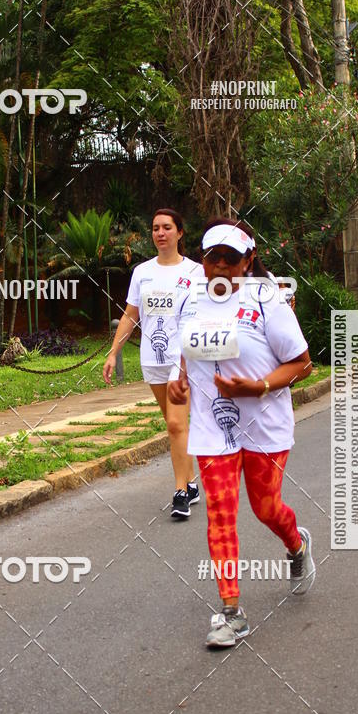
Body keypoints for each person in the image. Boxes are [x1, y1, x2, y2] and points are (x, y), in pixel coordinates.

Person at [168, 218, 316, 647]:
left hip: (265, 423)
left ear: (248, 261)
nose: (220, 266)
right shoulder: (190, 299)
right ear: (202, 259)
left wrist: (258, 386)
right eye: (212, 257)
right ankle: (231, 613)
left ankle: (296, 545)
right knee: (220, 512)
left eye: (230, 258)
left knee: (266, 508)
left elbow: (303, 364)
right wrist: (180, 379)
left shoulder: (266, 299)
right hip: (213, 426)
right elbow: (187, 352)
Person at [103, 208, 202, 519]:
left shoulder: (196, 272)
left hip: (184, 358)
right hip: (152, 357)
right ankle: (191, 481)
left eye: (167, 227)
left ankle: (180, 493)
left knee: (176, 424)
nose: (160, 233)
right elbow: (130, 315)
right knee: (173, 423)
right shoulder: (142, 272)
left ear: (179, 232)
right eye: (156, 228)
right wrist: (113, 352)